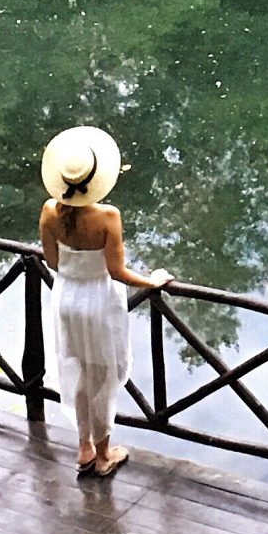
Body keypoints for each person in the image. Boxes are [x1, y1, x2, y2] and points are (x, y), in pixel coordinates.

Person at [38, 125, 163, 478]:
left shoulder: (49, 210)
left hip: (65, 297)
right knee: (103, 376)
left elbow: (53, 261)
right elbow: (117, 271)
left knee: (77, 371)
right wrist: (152, 281)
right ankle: (104, 453)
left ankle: (83, 447)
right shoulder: (108, 217)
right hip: (98, 300)